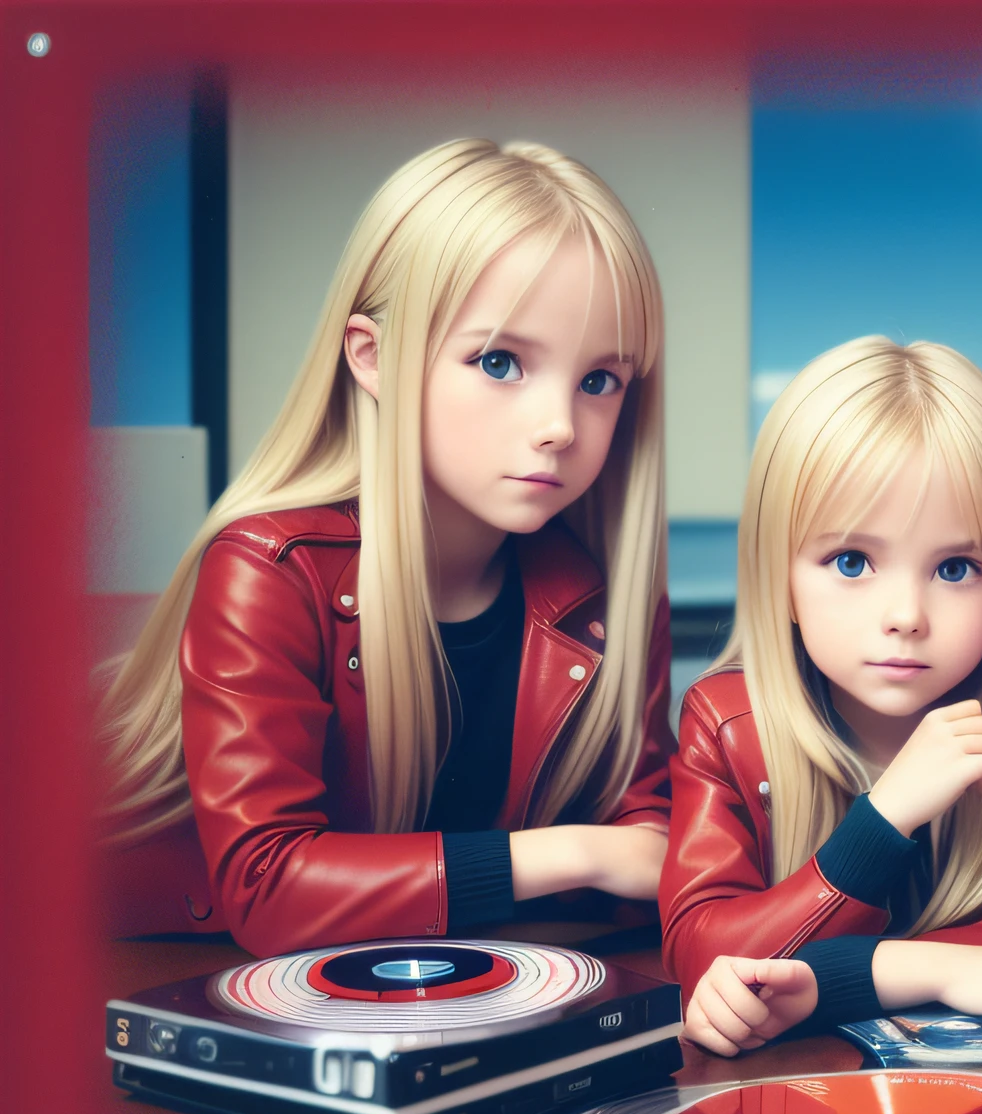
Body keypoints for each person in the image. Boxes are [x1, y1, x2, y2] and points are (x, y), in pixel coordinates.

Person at [96, 139, 674, 957]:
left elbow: (648, 834)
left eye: (599, 380)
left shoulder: (601, 599)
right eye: (501, 361)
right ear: (372, 357)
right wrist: (572, 853)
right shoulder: (270, 569)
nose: (559, 426)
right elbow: (271, 889)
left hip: (467, 995)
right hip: (181, 992)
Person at [662, 336, 982, 1056]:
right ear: (780, 576)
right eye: (852, 561)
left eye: (956, 567)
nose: (906, 614)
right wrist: (887, 820)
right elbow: (704, 961)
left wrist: (842, 975)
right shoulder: (725, 722)